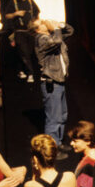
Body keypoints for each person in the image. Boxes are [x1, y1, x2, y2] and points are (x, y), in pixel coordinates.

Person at [33, 18, 74, 148]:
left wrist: (60, 25)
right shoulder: (40, 39)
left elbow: (70, 31)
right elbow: (56, 40)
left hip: (59, 81)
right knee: (53, 118)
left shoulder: (52, 36)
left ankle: (59, 142)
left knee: (62, 115)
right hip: (51, 82)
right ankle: (52, 148)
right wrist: (56, 29)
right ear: (37, 29)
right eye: (42, 23)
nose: (45, 22)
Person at [4, 0, 41, 82]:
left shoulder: (30, 0)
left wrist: (35, 21)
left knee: (29, 52)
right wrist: (15, 14)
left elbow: (37, 12)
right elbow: (7, 16)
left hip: (30, 30)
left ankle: (21, 69)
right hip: (19, 31)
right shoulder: (13, 3)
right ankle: (30, 74)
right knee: (24, 52)